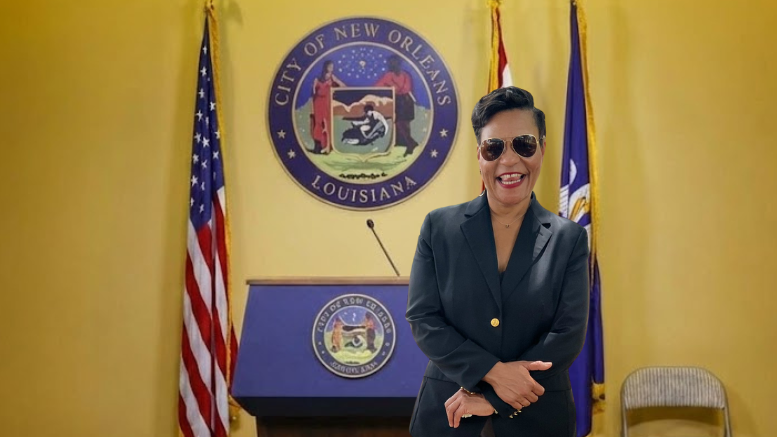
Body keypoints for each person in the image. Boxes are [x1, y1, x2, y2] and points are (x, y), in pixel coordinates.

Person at [406, 86, 590, 437]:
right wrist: (491, 372)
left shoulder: (569, 239)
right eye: (494, 148)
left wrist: (495, 399)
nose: (509, 161)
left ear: (542, 149)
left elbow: (567, 334)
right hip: (448, 414)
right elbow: (423, 318)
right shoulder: (439, 228)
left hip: (538, 418)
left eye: (524, 144)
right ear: (480, 156)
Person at [374, 55, 418, 156]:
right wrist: (388, 86)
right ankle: (405, 143)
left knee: (405, 124)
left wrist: (391, 86)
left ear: (397, 63)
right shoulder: (388, 75)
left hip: (406, 101)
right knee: (398, 123)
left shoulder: (406, 75)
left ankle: (410, 144)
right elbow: (377, 86)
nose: (390, 65)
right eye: (390, 63)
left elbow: (406, 88)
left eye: (392, 63)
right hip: (397, 102)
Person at [311, 60, 345, 154]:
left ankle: (327, 147)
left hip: (327, 102)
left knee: (327, 124)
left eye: (332, 66)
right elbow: (313, 92)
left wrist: (335, 86)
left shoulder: (332, 78)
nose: (331, 68)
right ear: (326, 67)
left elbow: (343, 86)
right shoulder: (317, 79)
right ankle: (317, 147)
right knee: (318, 123)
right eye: (330, 66)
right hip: (318, 102)